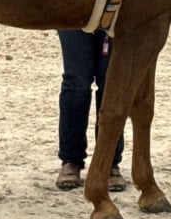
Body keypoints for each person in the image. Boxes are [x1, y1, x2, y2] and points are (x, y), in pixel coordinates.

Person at [54, 27, 127, 193]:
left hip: (113, 10)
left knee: (110, 81)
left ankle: (109, 161)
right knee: (76, 82)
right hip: (74, 11)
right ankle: (71, 159)